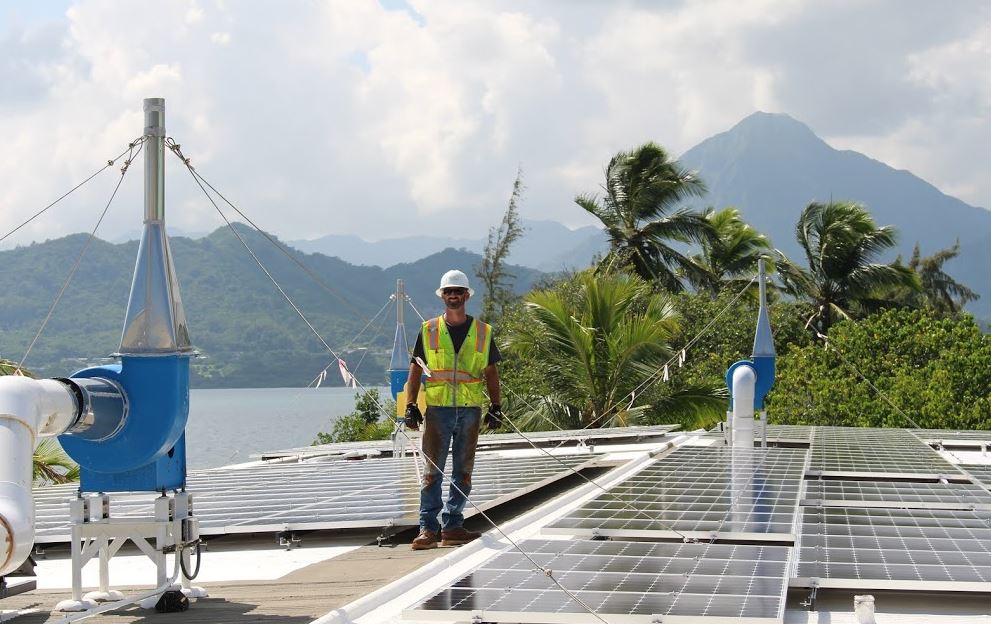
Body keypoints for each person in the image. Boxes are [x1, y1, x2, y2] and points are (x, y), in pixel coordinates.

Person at [404, 269, 502, 550]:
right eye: (449, 292)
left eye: (458, 291)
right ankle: (427, 529)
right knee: (432, 471)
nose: (453, 296)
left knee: (464, 470)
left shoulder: (483, 332)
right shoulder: (429, 329)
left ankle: (453, 526)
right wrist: (411, 404)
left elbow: (491, 372)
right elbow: (415, 369)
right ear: (443, 296)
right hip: (438, 410)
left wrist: (496, 406)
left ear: (466, 295)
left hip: (470, 409)